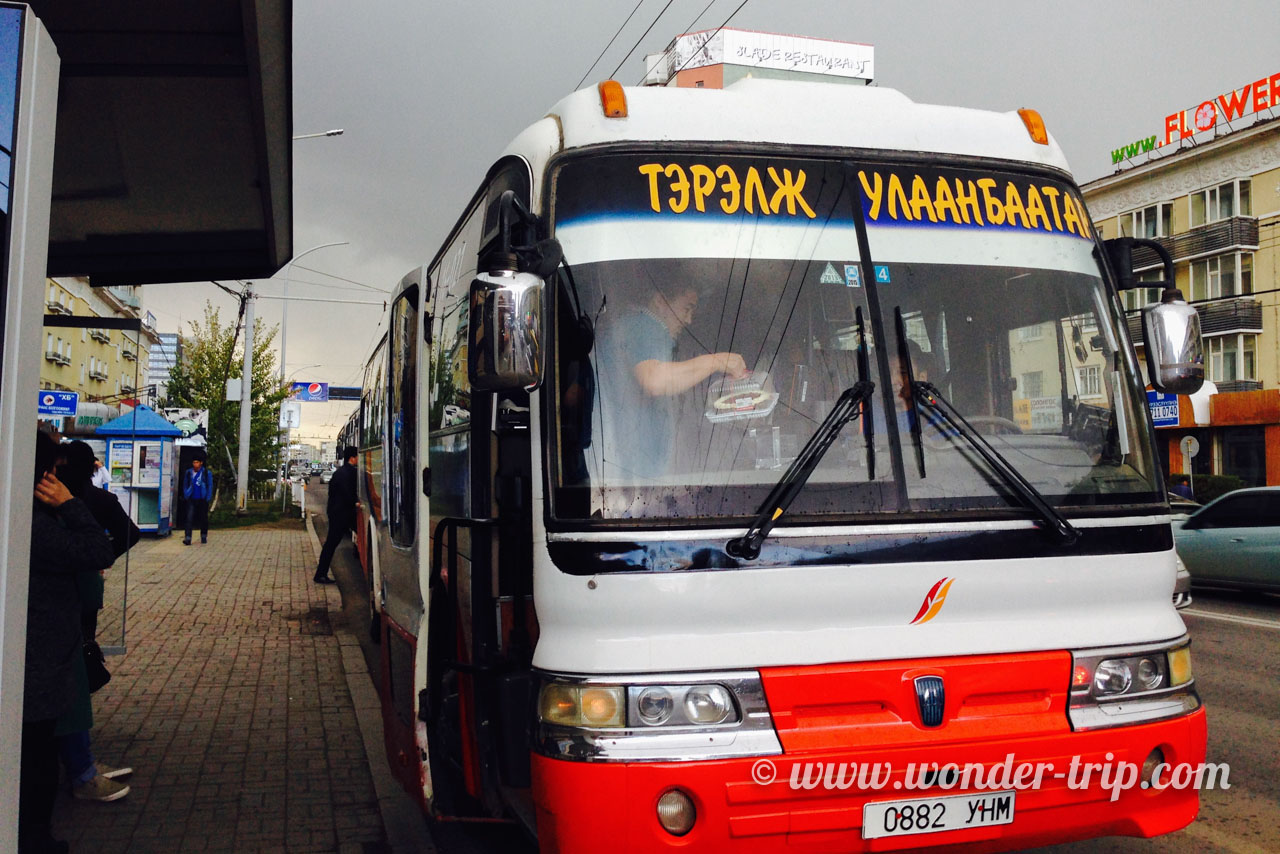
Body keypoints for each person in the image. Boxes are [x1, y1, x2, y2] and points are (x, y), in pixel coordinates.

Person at [22, 432, 115, 853]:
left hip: (38, 658)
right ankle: (35, 838)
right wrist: (69, 504)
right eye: (52, 471)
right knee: (37, 759)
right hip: (40, 663)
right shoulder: (37, 526)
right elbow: (99, 548)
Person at [54, 441, 141, 803]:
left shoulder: (53, 502)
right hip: (81, 599)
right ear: (92, 466)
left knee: (69, 679)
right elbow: (129, 534)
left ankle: (80, 761)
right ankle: (80, 766)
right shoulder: (99, 501)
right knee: (74, 679)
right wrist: (101, 558)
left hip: (62, 602)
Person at [596, 284, 747, 478]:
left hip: (630, 472)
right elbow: (654, 380)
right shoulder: (646, 325)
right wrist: (717, 361)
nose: (689, 320)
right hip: (626, 477)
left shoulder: (636, 326)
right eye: (687, 308)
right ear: (660, 301)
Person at [315, 446, 358, 584]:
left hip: (337, 512)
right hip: (341, 514)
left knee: (331, 544)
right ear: (352, 458)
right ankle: (320, 574)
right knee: (331, 544)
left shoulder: (340, 472)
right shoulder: (348, 473)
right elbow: (347, 494)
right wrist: (355, 503)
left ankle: (321, 573)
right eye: (357, 457)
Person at [182, 455, 212, 545]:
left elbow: (210, 486)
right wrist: (186, 494)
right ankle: (188, 537)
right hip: (191, 498)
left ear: (201, 463)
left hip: (202, 498)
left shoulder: (206, 473)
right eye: (194, 462)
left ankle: (203, 535)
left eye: (197, 462)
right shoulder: (189, 472)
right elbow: (185, 484)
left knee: (203, 518)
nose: (195, 464)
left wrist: (208, 498)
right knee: (189, 518)